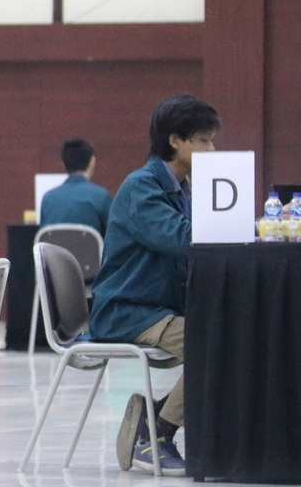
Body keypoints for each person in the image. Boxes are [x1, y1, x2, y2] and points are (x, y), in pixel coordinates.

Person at [89, 94, 220, 477]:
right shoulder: (142, 187)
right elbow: (182, 239)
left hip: (157, 308)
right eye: (204, 140)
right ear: (175, 141)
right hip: (128, 310)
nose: (212, 150)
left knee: (229, 336)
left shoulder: (183, 188)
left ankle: (155, 416)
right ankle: (155, 434)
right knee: (214, 343)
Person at [39, 137, 112, 235]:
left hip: (56, 246)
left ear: (63, 164)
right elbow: (112, 237)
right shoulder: (101, 197)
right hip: (89, 246)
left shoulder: (48, 198)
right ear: (92, 161)